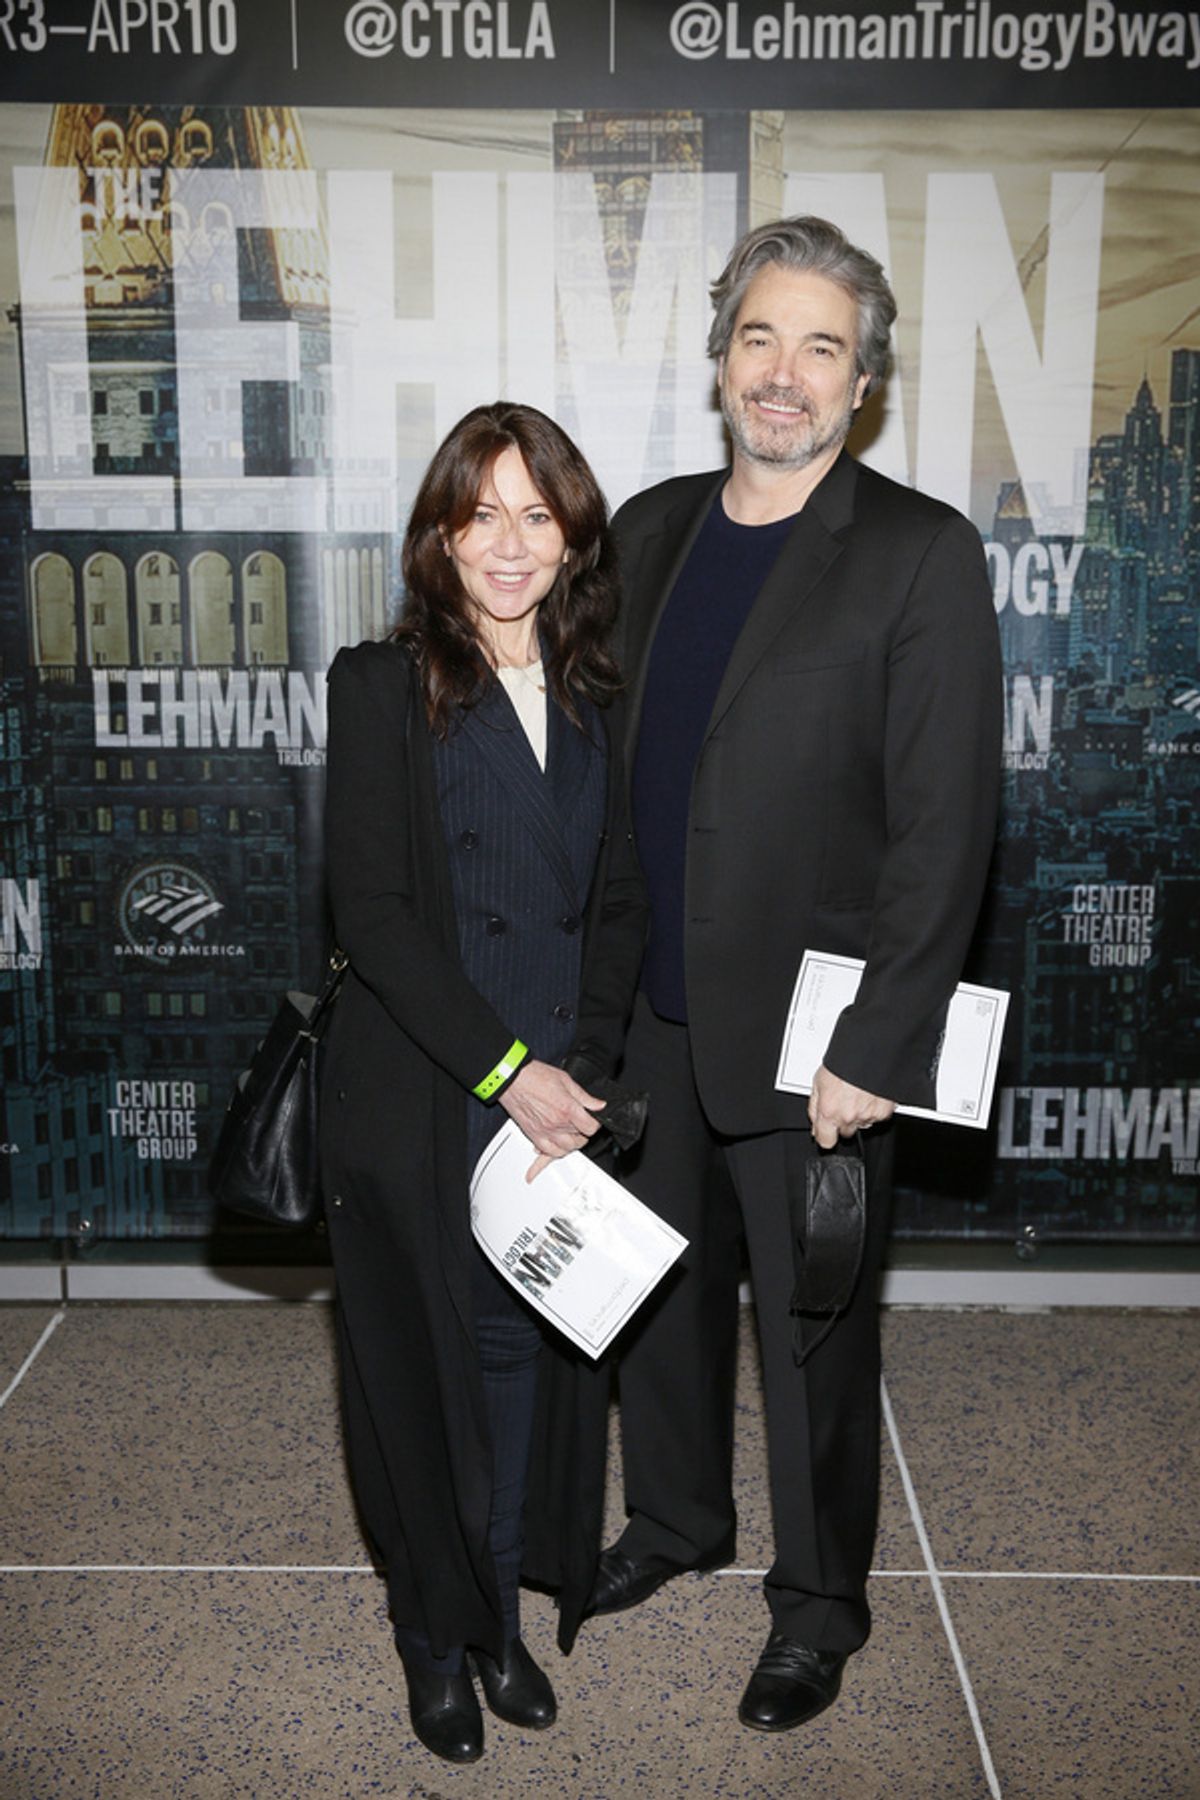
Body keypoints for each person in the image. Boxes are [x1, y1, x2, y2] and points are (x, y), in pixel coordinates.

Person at [588, 217, 1003, 1732]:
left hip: (814, 1035)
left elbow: (949, 825)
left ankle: (820, 1603)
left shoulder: (917, 553)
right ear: (719, 359)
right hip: (646, 1015)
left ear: (863, 382)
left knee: (816, 1330)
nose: (785, 372)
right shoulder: (645, 531)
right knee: (655, 1308)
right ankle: (679, 1522)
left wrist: (878, 1045)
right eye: (760, 336)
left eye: (821, 345)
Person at [320, 402, 646, 1764]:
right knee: (419, 1383)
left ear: (572, 535)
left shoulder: (597, 695)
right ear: (439, 535)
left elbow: (620, 901)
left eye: (536, 513)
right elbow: (375, 914)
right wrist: (511, 1073)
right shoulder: (383, 683)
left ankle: (499, 1612)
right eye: (479, 514)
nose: (508, 543)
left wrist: (592, 1076)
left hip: (556, 1101)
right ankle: (430, 1637)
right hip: (429, 1094)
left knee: (523, 1374)